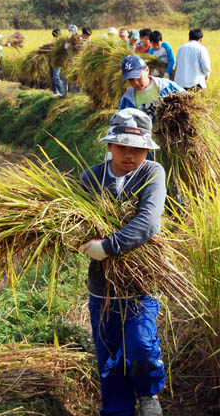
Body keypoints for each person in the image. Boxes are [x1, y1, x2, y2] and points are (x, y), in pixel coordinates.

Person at [79, 108, 167, 416]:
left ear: (147, 149)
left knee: (141, 346)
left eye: (138, 148)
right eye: (122, 147)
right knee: (110, 360)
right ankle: (118, 411)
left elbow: (148, 223)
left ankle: (147, 393)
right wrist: (80, 241)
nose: (130, 154)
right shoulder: (91, 178)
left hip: (141, 284)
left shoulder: (152, 173)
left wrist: (108, 245)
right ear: (109, 146)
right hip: (102, 288)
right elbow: (75, 227)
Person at [119, 55, 183, 124]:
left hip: (166, 133)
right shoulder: (127, 99)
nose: (136, 83)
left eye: (138, 77)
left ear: (147, 70)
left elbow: (188, 101)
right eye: (131, 80)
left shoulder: (167, 86)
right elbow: (122, 123)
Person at [50, 28, 66, 98]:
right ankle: (55, 92)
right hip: (51, 61)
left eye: (56, 35)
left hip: (57, 61)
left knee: (55, 77)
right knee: (52, 78)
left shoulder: (62, 42)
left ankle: (62, 92)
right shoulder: (54, 42)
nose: (55, 37)